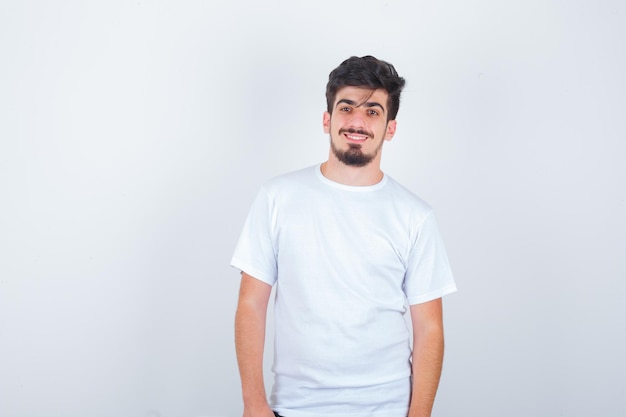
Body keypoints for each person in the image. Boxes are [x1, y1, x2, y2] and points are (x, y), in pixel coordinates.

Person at [231, 55, 457, 417]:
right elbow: (251, 305)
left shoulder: (415, 216)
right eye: (347, 107)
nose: (357, 121)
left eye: (373, 112)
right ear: (327, 119)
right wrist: (253, 404)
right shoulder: (277, 197)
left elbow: (429, 328)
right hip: (294, 406)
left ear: (390, 128)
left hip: (387, 408)